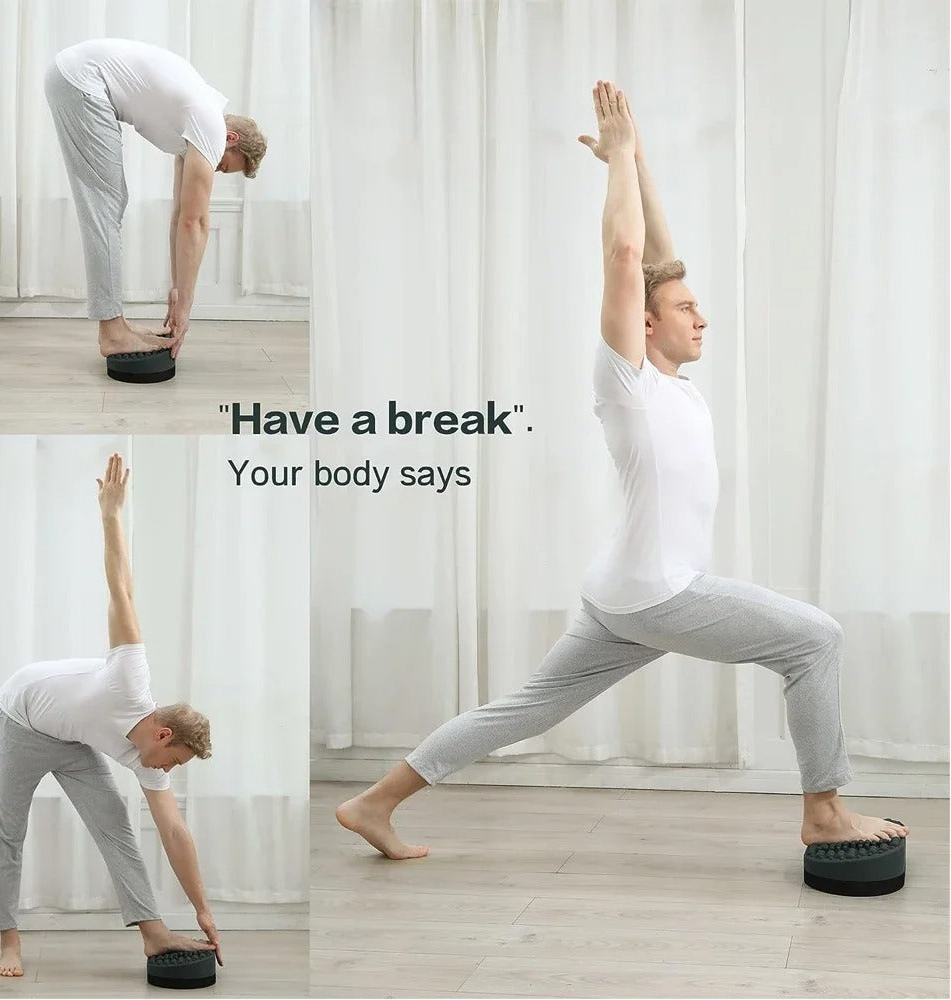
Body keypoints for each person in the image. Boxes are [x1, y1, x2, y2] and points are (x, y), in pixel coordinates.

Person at [335, 80, 910, 861]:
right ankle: (824, 811)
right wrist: (617, 166)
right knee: (815, 640)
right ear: (643, 325)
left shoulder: (668, 380)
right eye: (685, 311)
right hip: (658, 590)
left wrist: (634, 160)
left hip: (620, 592)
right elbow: (629, 255)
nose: (701, 317)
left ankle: (374, 803)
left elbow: (657, 257)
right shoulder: (628, 383)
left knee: (529, 708)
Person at [0, 453, 223, 977]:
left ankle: (153, 933)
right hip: (20, 718)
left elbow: (176, 832)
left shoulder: (148, 757)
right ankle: (9, 940)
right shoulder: (130, 679)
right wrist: (111, 514)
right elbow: (122, 590)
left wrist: (204, 909)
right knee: (9, 830)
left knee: (117, 828)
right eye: (175, 759)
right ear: (162, 733)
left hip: (73, 737)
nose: (167, 769)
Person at [44, 38, 268, 361]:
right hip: (80, 80)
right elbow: (197, 222)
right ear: (231, 139)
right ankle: (112, 332)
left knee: (110, 201)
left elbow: (180, 215)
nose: (215, 170)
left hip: (75, 77)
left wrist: (178, 290)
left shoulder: (194, 125)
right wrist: (188, 308)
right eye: (223, 164)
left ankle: (116, 326)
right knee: (105, 204)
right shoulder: (210, 125)